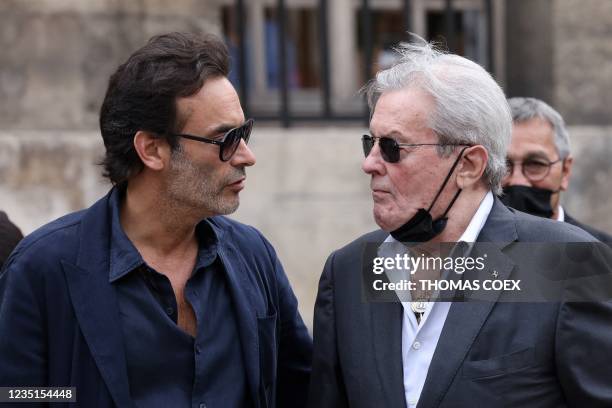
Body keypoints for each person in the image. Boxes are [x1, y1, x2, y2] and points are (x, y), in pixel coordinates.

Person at [0, 32, 311, 407]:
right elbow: (20, 396)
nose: (246, 155)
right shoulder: (43, 268)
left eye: (244, 133)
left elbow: (302, 388)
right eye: (225, 138)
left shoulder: (252, 255)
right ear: (152, 149)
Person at [308, 37, 612, 407]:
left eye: (392, 148)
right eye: (370, 143)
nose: (370, 163)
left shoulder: (564, 263)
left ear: (468, 165)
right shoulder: (349, 270)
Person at [502, 97, 612, 242]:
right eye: (502, 165)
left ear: (565, 171)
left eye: (535, 164)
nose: (517, 180)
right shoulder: (466, 251)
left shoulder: (602, 254)